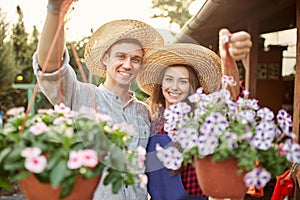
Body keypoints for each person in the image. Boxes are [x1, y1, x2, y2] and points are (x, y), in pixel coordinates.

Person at [33, 0, 164, 199]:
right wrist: (55, 11)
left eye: (135, 59)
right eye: (120, 56)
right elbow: (50, 66)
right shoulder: (79, 96)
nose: (127, 65)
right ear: (105, 59)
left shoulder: (144, 112)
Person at [136, 29, 252, 200]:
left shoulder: (201, 119)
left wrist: (228, 59)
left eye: (183, 81)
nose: (174, 87)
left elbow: (231, 96)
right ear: (160, 84)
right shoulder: (150, 117)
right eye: (169, 79)